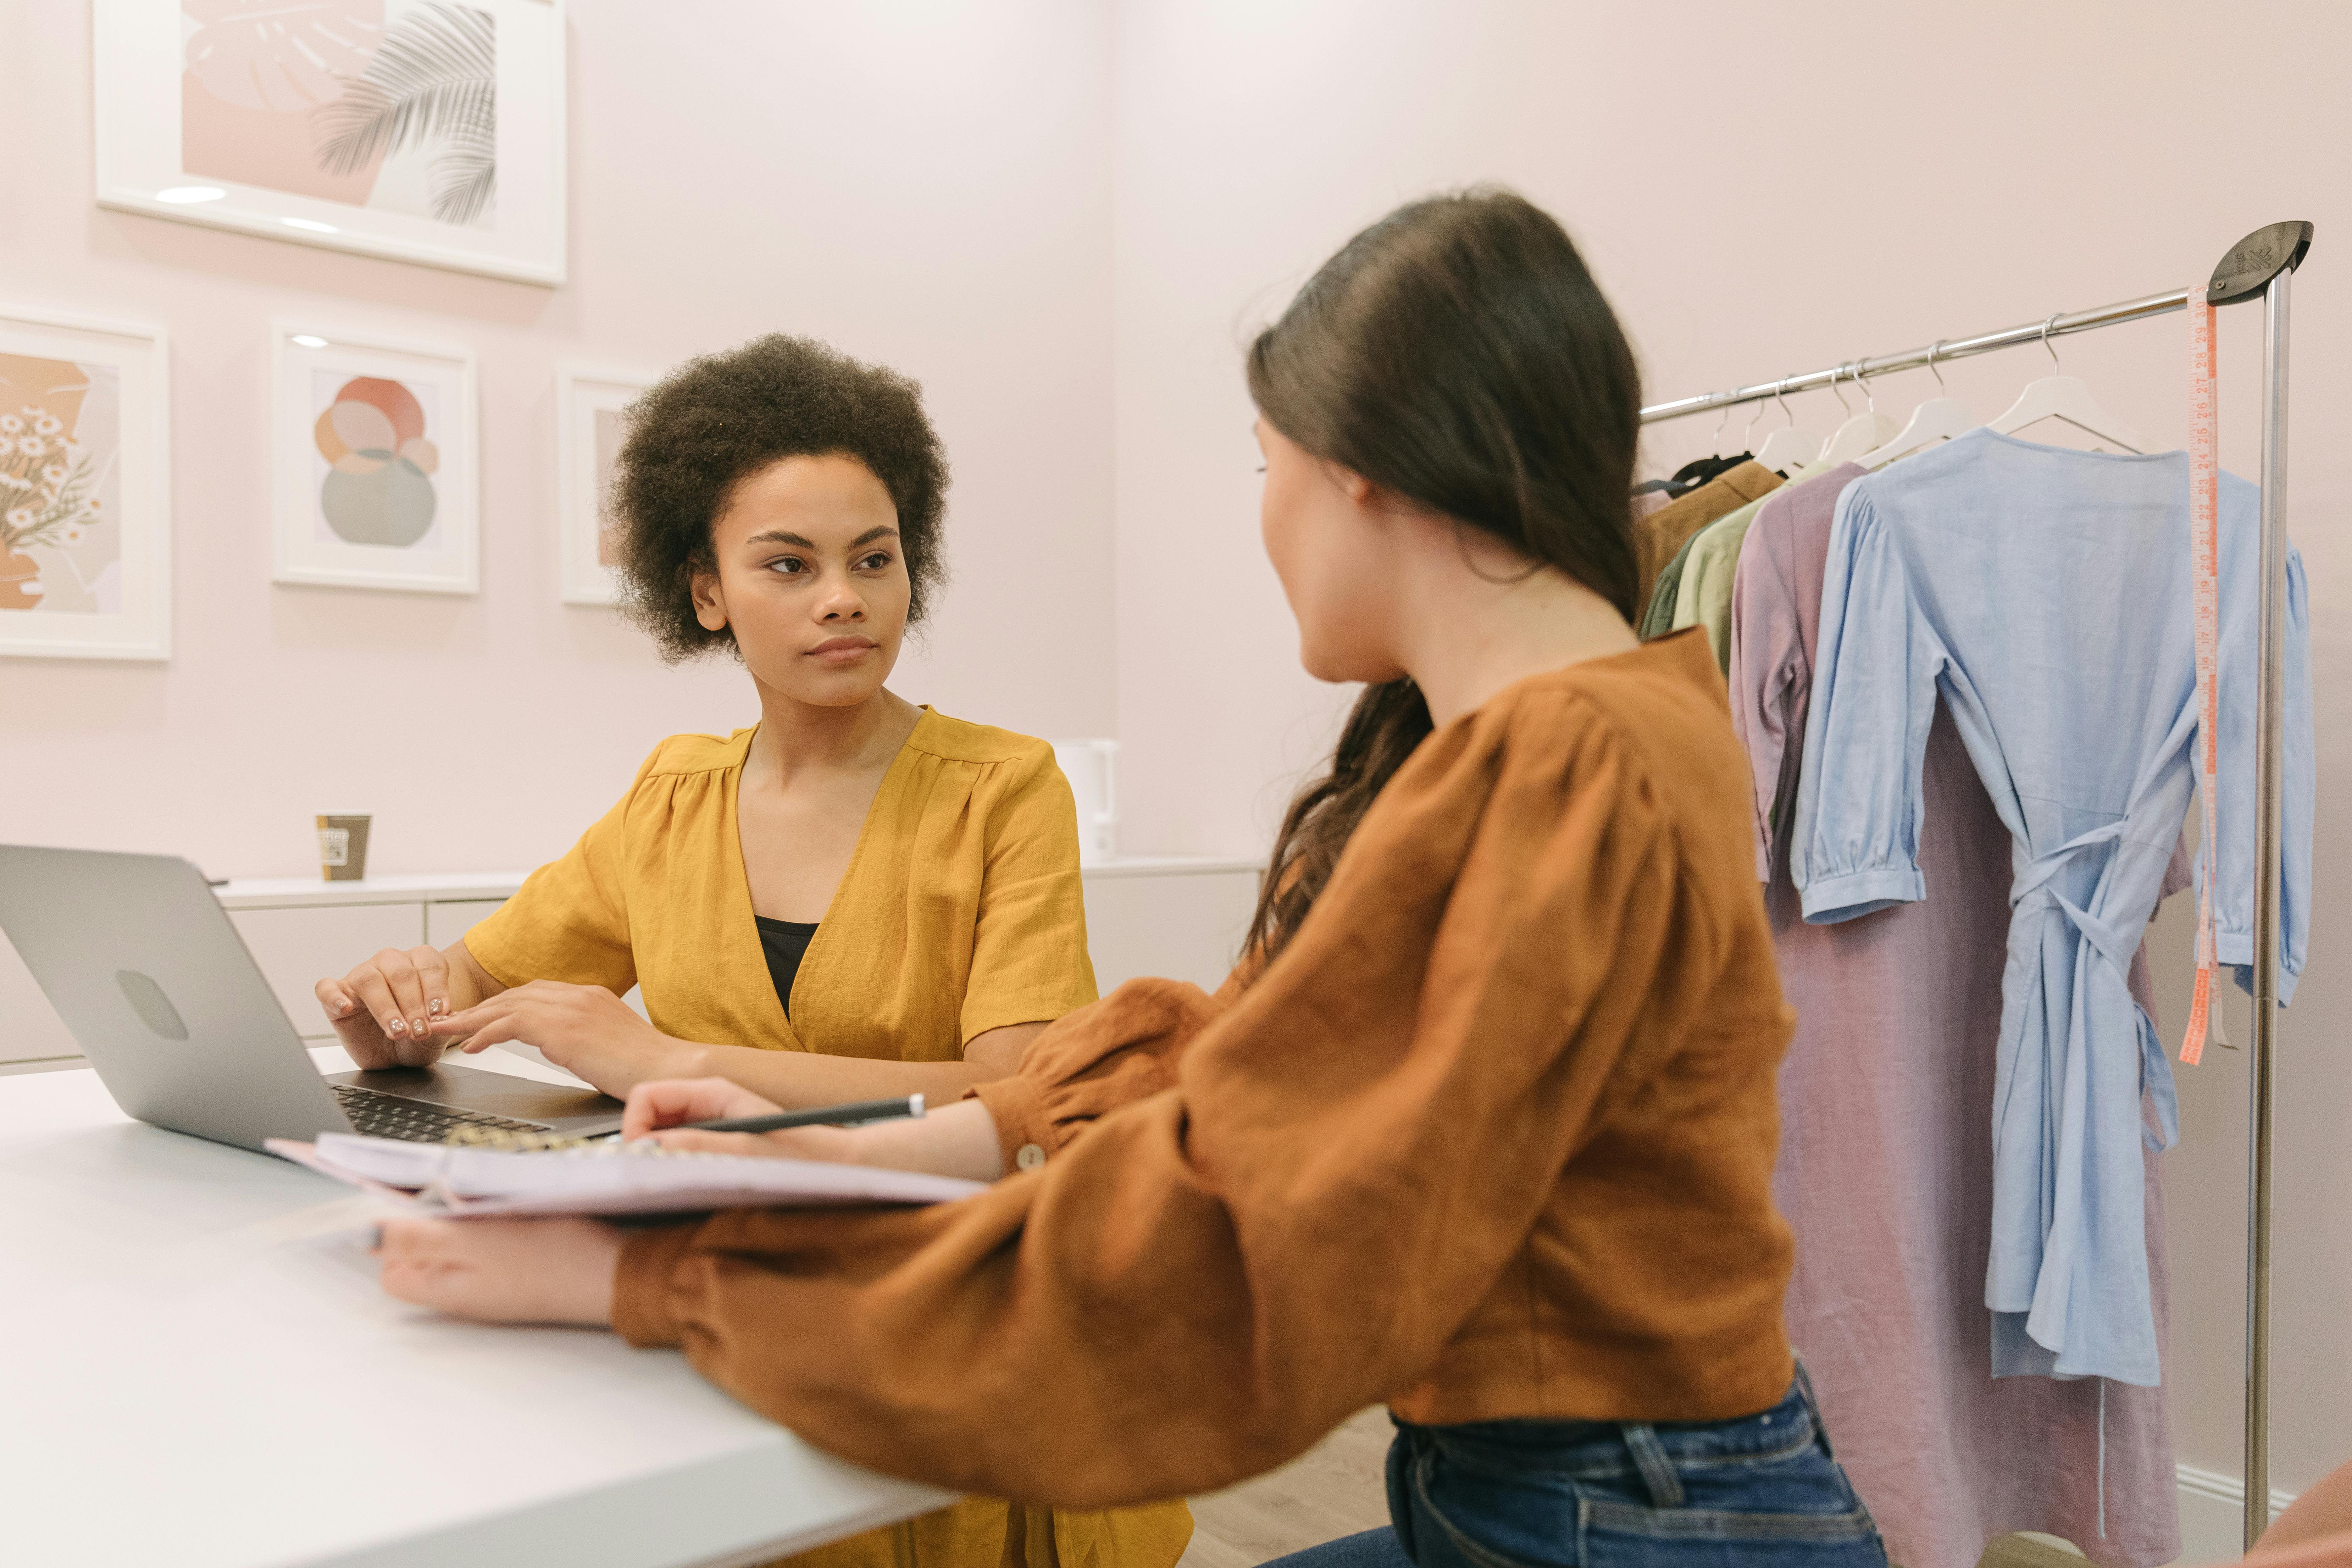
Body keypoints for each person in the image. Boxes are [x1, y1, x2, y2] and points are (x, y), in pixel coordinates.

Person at [370, 191, 1888, 1568]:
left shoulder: (1559, 769)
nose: (1264, 515)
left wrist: (650, 1279)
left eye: (1265, 467)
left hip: (1614, 1519)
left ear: (1360, 475)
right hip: (1583, 1487)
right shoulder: (1581, 730)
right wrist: (822, 1158)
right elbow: (1228, 1076)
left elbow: (1212, 1267)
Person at [318, 335, 1191, 1568]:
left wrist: (657, 1055)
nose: (844, 596)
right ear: (709, 592)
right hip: (718, 1312)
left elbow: (1024, 1100)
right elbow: (478, 978)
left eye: (874, 561)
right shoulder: (672, 794)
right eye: (791, 564)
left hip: (935, 1327)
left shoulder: (1003, 788)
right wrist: (394, 1011)